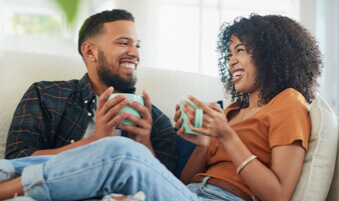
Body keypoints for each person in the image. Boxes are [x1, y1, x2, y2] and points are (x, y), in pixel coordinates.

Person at [0, 14, 322, 201]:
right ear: (89, 51)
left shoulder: (288, 102)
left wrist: (224, 137)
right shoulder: (230, 113)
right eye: (229, 53)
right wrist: (204, 144)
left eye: (241, 50)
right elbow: (180, 183)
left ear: (271, 54)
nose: (232, 60)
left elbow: (279, 195)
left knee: (123, 153)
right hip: (192, 193)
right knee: (120, 154)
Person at [1, 9, 176, 200]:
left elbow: (169, 188)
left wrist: (144, 146)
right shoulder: (46, 95)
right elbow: (17, 161)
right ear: (89, 51)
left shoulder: (155, 121)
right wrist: (94, 142)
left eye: (138, 45)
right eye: (124, 43)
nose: (135, 53)